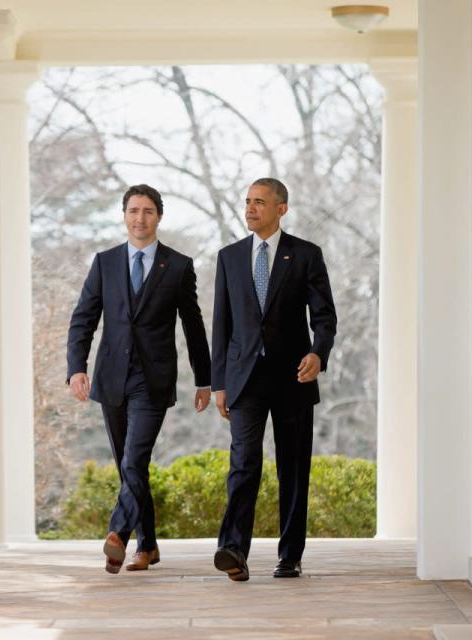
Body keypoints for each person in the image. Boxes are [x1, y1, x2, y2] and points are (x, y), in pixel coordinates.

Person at [66, 184, 212, 574]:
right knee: (130, 466)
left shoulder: (178, 266)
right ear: (124, 215)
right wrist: (76, 367)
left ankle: (118, 535)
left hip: (153, 379)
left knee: (135, 458)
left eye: (148, 211)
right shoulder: (105, 263)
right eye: (133, 210)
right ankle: (147, 545)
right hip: (112, 377)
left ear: (159, 217)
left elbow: (193, 325)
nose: (140, 218)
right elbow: (84, 318)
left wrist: (205, 378)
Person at [210, 178, 337, 581]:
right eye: (247, 202)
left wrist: (319, 352)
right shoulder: (229, 257)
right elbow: (222, 324)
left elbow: (324, 315)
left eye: (260, 202)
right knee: (243, 463)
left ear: (281, 208)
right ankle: (233, 550)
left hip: (293, 377)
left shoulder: (305, 255)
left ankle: (290, 555)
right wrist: (219, 383)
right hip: (244, 378)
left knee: (293, 468)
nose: (250, 209)